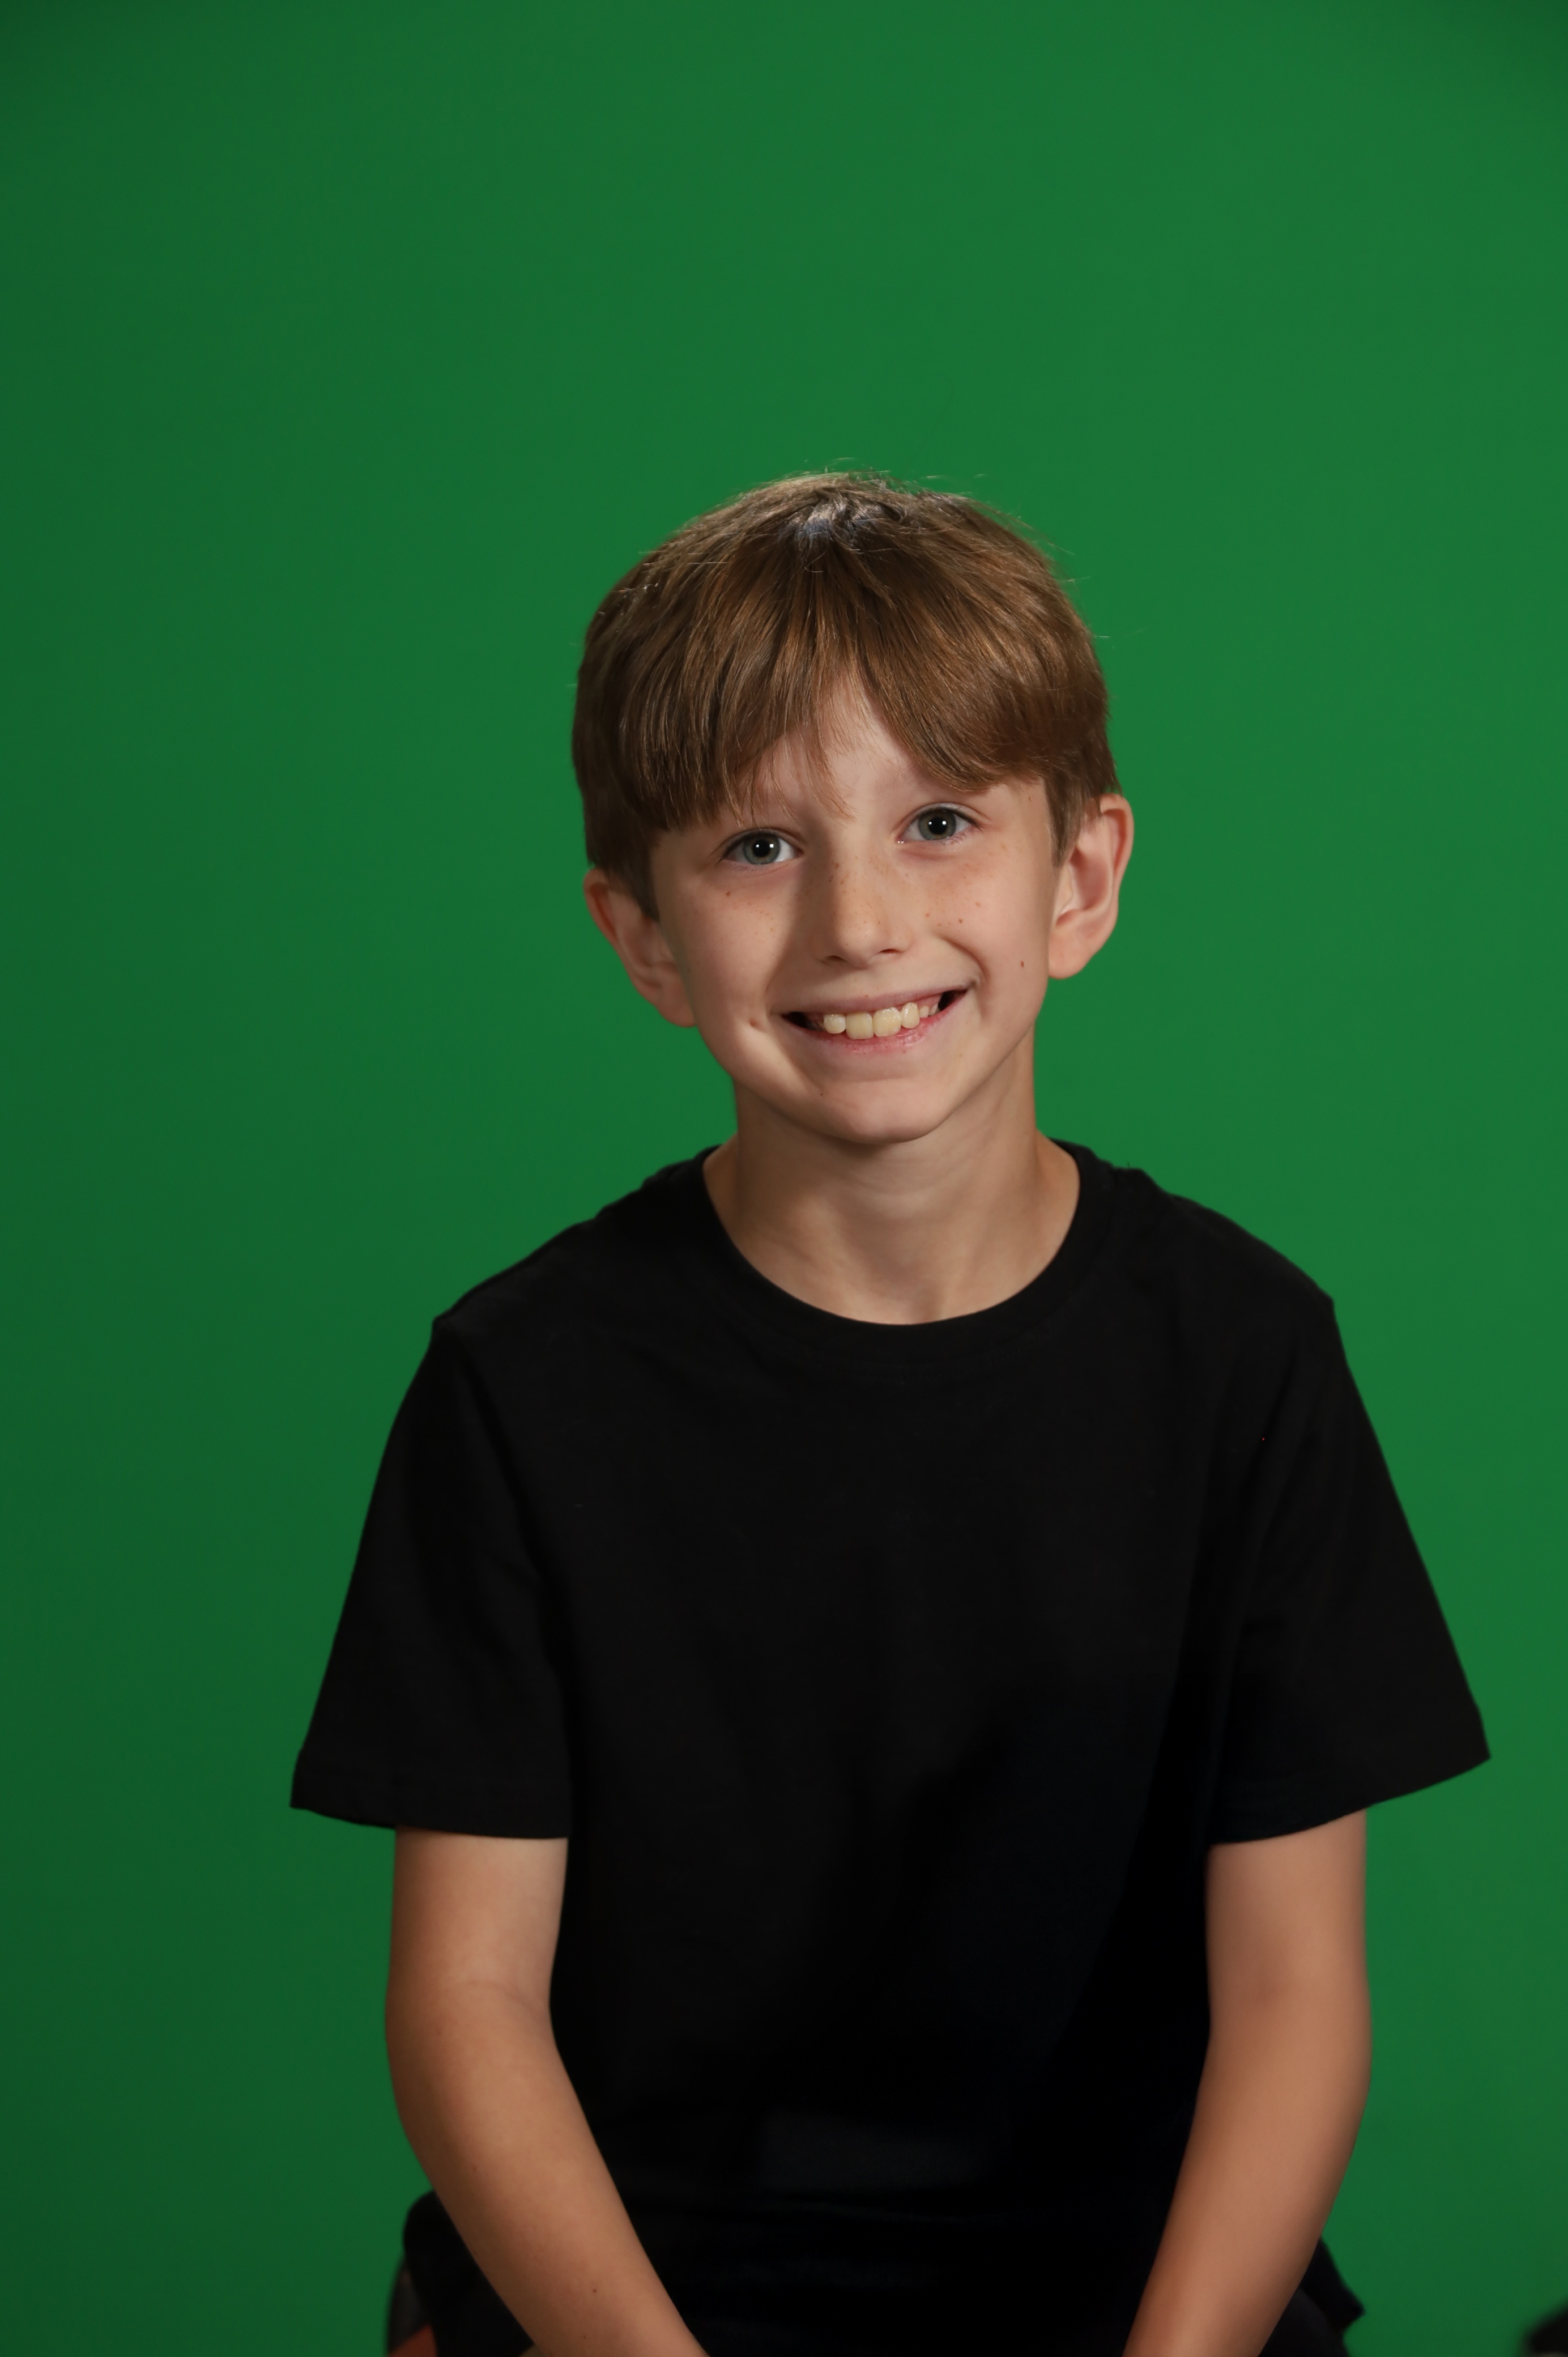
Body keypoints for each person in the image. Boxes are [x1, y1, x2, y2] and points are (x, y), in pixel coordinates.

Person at [292, 475, 1488, 2357]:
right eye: (760, 846)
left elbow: (1291, 1995)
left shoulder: (1245, 1357)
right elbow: (467, 2007)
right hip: (637, 2301)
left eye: (939, 822)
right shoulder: (521, 1389)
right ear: (644, 936)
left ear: (1079, 878)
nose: (861, 922)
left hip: (1136, 2297)